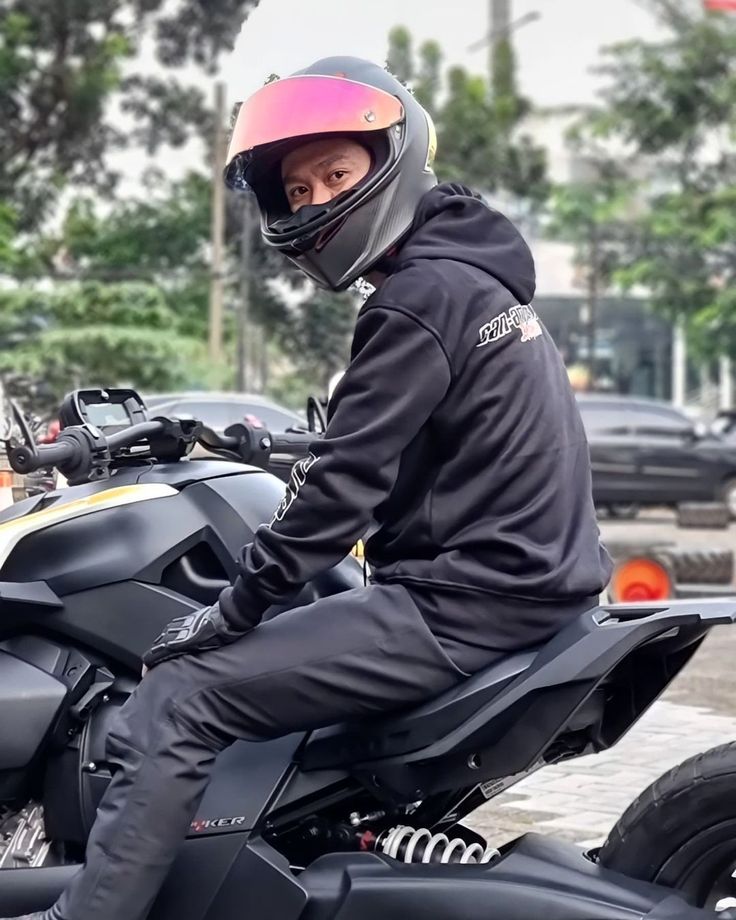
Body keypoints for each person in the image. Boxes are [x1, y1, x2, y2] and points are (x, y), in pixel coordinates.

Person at [8, 56, 611, 920]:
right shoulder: (468, 279)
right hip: (527, 583)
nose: (318, 199)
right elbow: (399, 440)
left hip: (465, 603)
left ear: (391, 159)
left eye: (337, 172)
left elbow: (340, 495)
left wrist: (233, 609)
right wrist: (267, 444)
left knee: (177, 695)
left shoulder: (413, 299)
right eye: (297, 189)